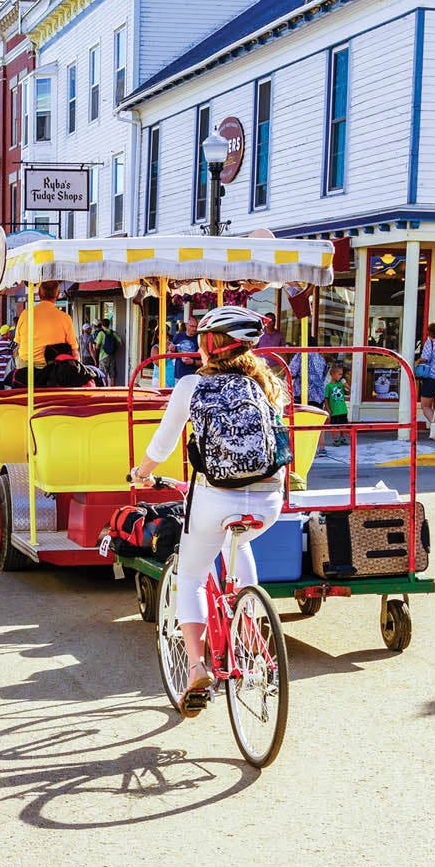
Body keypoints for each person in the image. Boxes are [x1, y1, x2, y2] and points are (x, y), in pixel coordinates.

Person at [127, 306, 290, 718]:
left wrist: (141, 474)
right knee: (241, 541)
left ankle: (198, 667)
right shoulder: (267, 384)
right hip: (270, 498)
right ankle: (251, 624)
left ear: (207, 346)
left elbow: (163, 445)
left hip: (216, 497)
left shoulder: (191, 386)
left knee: (193, 575)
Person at [14, 281, 82, 381]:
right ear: (57, 295)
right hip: (54, 370)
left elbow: (18, 343)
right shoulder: (65, 318)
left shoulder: (25, 314)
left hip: (26, 368)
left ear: (40, 294)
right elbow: (74, 350)